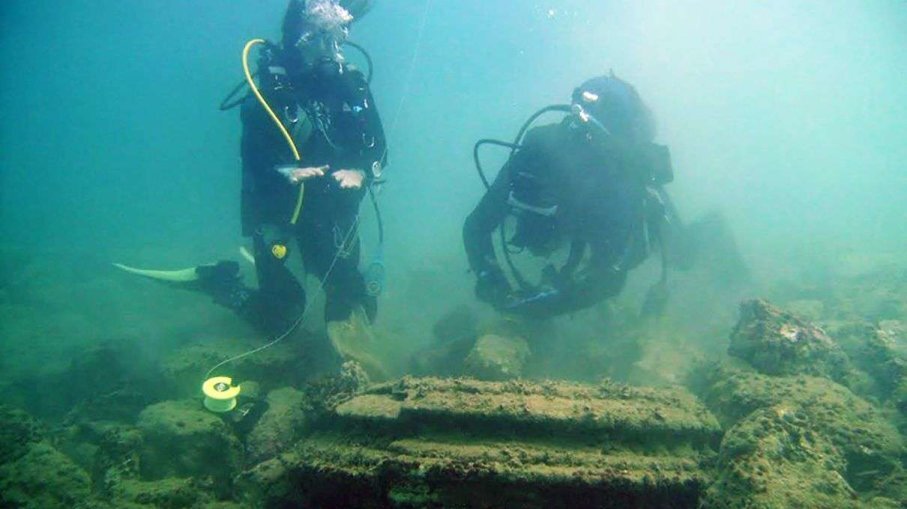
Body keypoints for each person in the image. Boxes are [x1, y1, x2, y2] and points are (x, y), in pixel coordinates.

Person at [119, 0, 388, 378]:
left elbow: (377, 143)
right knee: (284, 317)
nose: (331, 49)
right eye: (321, 38)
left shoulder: (351, 82)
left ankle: (346, 356)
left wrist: (361, 170)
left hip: (331, 210)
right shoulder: (269, 90)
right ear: (300, 37)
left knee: (354, 301)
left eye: (338, 37)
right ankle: (221, 284)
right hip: (279, 208)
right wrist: (286, 172)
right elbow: (255, 157)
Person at [463, 74, 675, 319]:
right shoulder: (528, 159)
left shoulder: (609, 184)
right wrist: (492, 282)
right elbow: (475, 227)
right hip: (578, 207)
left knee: (678, 250)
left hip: (603, 203)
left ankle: (705, 236)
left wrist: (541, 306)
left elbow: (613, 276)